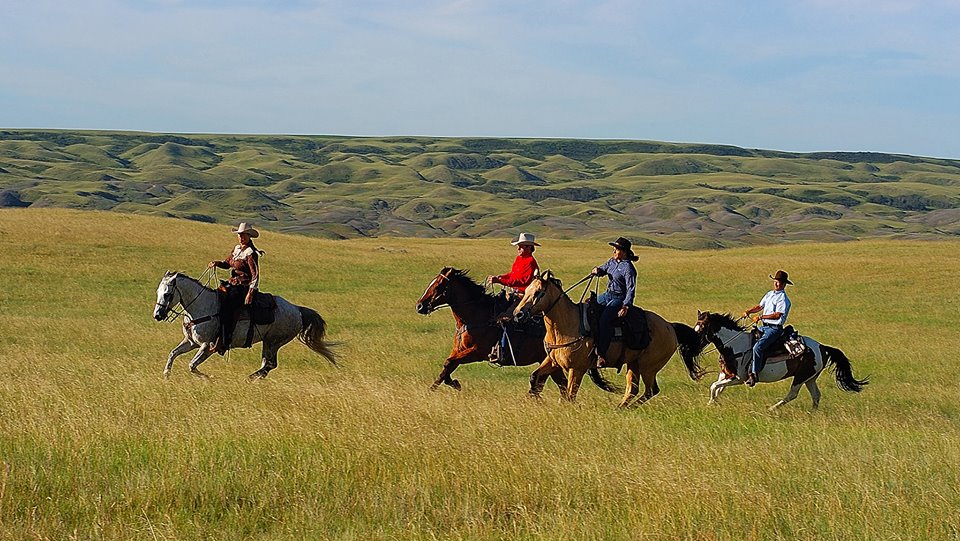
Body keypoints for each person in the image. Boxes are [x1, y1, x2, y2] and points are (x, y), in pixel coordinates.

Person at [207, 222, 262, 353]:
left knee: (227, 307)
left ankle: (224, 342)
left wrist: (250, 293)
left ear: (249, 236)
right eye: (239, 235)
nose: (241, 237)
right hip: (232, 284)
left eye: (244, 235)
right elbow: (227, 264)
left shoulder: (250, 253)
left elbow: (255, 275)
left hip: (243, 288)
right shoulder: (236, 249)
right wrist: (217, 263)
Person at [486, 233, 540, 363]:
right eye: (518, 246)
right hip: (514, 294)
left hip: (524, 297)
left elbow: (523, 281)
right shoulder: (519, 259)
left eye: (520, 246)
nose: (518, 249)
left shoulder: (531, 262)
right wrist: (501, 277)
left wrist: (500, 281)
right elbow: (513, 275)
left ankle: (503, 352)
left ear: (529, 247)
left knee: (506, 319)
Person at [590, 236, 639, 365]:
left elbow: (631, 289)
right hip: (607, 295)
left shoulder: (628, 268)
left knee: (605, 321)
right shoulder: (612, 262)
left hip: (619, 298)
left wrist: (626, 306)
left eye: (616, 249)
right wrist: (597, 270)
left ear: (623, 251)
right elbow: (603, 269)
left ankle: (601, 354)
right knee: (588, 306)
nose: (614, 250)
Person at [742, 270, 793, 387]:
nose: (777, 283)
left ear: (784, 284)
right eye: (776, 281)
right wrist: (749, 311)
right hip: (764, 326)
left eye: (780, 282)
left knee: (757, 347)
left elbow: (778, 315)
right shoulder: (769, 294)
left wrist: (761, 317)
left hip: (774, 329)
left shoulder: (783, 299)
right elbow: (760, 306)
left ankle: (754, 374)